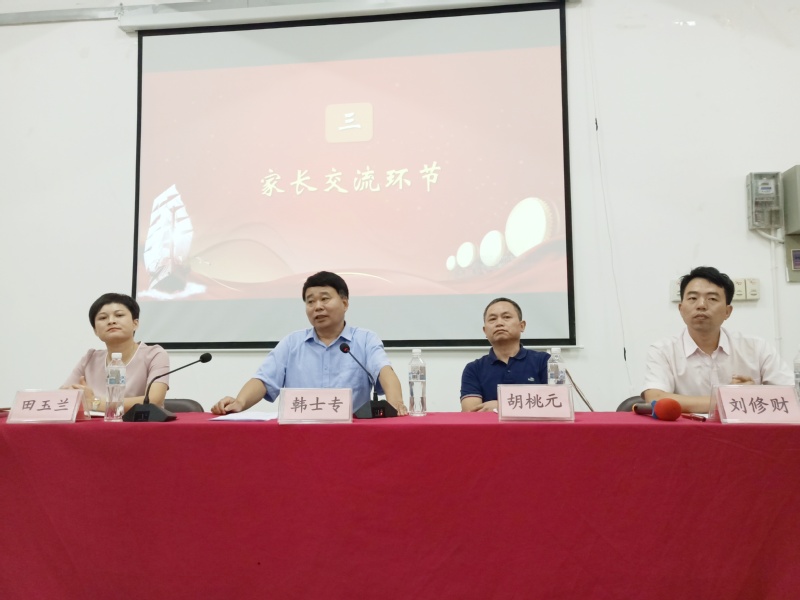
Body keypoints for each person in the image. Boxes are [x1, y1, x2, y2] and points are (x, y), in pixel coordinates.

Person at [211, 271, 407, 415]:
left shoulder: (365, 340)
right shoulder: (292, 343)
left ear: (345, 303)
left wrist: (396, 404)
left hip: (351, 434)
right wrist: (240, 402)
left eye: (325, 299)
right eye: (310, 301)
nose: (317, 307)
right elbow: (263, 380)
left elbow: (384, 371)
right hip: (298, 434)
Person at [642, 266, 793, 413]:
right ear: (681, 309)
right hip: (689, 429)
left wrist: (753, 393)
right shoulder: (663, 350)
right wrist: (730, 399)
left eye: (712, 298)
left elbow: (792, 395)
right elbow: (655, 398)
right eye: (693, 298)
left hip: (745, 429)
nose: (701, 305)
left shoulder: (757, 348)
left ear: (727, 311)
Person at [63, 293, 170, 412]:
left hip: (139, 422)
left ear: (135, 323)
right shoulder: (90, 358)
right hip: (95, 423)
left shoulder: (155, 355)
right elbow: (62, 397)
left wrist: (94, 402)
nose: (111, 321)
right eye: (103, 318)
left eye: (119, 315)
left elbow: (154, 400)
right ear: (95, 331)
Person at [460, 297, 550, 412]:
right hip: (489, 425)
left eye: (506, 317)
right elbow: (471, 411)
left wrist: (501, 406)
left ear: (522, 326)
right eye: (492, 319)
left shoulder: (544, 361)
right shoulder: (474, 368)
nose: (499, 323)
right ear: (485, 331)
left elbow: (555, 404)